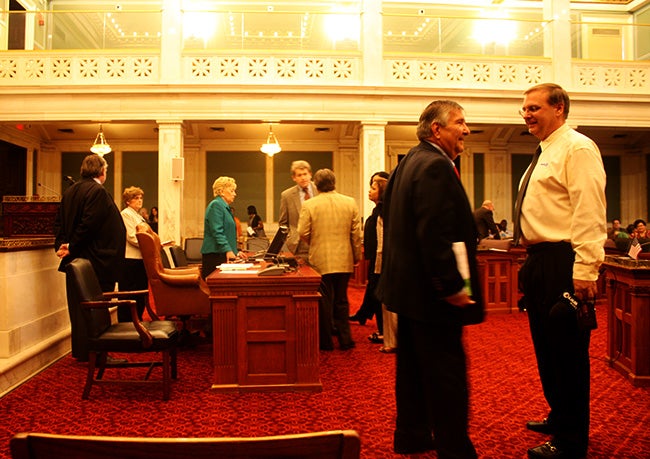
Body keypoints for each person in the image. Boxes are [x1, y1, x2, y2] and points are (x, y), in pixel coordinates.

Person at [376, 100, 484, 457]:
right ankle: (455, 449)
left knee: (412, 370)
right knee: (446, 374)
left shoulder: (409, 161)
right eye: (460, 123)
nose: (466, 130)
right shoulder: (436, 166)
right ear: (437, 129)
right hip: (431, 295)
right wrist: (451, 286)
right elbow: (434, 234)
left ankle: (412, 435)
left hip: (408, 292)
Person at [515, 83, 606, 459]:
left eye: (535, 108)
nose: (527, 114)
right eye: (524, 109)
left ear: (560, 108)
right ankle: (559, 416)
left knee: (567, 356)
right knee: (547, 351)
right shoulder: (545, 151)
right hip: (540, 263)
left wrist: (586, 267)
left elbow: (589, 210)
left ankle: (570, 442)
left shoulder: (578, 148)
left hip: (564, 262)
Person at [53, 154, 126, 363]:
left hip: (76, 259)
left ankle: (83, 351)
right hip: (96, 260)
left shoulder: (70, 191)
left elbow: (58, 223)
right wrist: (72, 246)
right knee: (96, 309)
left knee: (78, 307)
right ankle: (98, 354)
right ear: (102, 171)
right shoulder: (97, 191)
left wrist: (62, 245)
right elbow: (89, 224)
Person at [297, 168, 361, 351]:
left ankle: (325, 342)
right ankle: (345, 340)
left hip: (320, 258)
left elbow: (302, 232)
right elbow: (356, 234)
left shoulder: (310, 205)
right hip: (344, 258)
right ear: (334, 183)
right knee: (341, 300)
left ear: (316, 185)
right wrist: (356, 256)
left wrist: (314, 242)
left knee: (324, 300)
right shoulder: (350, 202)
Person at [349, 171, 389, 338]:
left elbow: (381, 242)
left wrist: (378, 265)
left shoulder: (383, 212)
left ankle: (383, 332)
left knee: (379, 294)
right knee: (375, 292)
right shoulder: (377, 210)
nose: (369, 191)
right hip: (375, 260)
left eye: (373, 188)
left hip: (381, 261)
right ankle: (369, 317)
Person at [201, 177, 246, 279]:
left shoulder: (224, 207)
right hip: (215, 256)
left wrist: (235, 251)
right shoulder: (216, 205)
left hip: (222, 253)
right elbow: (217, 231)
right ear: (221, 191)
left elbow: (227, 233)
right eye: (232, 191)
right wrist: (228, 250)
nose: (235, 194)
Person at [119, 186, 149, 322]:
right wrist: (150, 243)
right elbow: (132, 236)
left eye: (141, 198)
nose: (139, 201)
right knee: (131, 294)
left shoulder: (137, 215)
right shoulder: (126, 214)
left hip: (140, 259)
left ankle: (138, 320)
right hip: (131, 260)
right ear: (128, 201)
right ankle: (129, 323)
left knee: (141, 293)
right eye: (136, 198)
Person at [279, 160, 316, 259]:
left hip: (319, 244)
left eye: (305, 174)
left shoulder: (320, 190)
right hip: (298, 246)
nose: (303, 178)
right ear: (294, 178)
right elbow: (283, 223)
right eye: (299, 175)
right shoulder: (287, 195)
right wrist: (290, 238)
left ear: (310, 174)